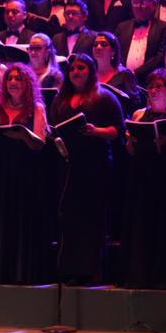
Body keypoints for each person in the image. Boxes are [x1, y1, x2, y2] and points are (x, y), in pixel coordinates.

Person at [49, 53, 125, 285]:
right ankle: (70, 268)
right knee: (70, 218)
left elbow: (118, 130)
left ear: (90, 71)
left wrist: (96, 132)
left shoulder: (104, 97)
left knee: (91, 219)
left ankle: (91, 270)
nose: (76, 72)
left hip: (95, 166)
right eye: (72, 69)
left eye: (81, 68)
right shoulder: (61, 99)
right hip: (69, 166)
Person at [0, 64, 52, 284]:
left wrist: (21, 136)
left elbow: (40, 144)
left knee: (21, 220)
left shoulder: (36, 108)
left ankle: (21, 273)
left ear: (27, 83)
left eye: (18, 78)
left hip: (24, 173)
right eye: (10, 78)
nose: (13, 82)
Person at [120, 69, 166, 289]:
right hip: (144, 176)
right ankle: (143, 275)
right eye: (151, 86)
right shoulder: (138, 114)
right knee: (144, 224)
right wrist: (130, 141)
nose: (153, 91)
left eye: (158, 87)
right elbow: (131, 152)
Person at [115, 0, 166, 85]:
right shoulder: (122, 27)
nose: (138, 6)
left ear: (153, 4)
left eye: (142, 2)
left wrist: (134, 73)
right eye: (135, 2)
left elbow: (160, 57)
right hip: (122, 82)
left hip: (150, 83)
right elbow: (115, 52)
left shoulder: (164, 28)